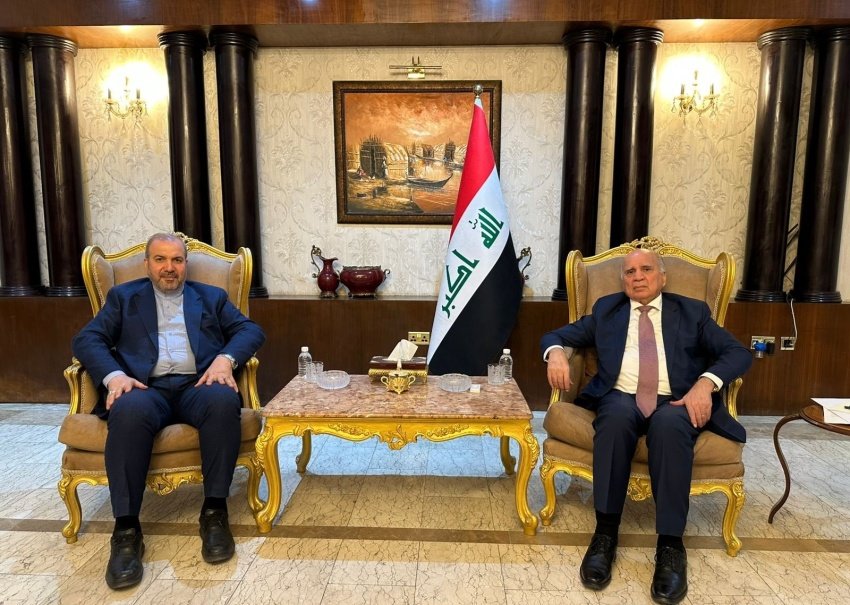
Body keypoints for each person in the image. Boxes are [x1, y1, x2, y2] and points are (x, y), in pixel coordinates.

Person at [540, 248, 751, 605]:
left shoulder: (692, 312)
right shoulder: (607, 310)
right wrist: (557, 353)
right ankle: (605, 534)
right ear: (623, 280)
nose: (637, 277)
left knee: (669, 425)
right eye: (629, 272)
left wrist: (706, 384)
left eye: (646, 269)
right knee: (615, 418)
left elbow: (738, 353)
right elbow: (554, 335)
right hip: (620, 396)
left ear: (662, 277)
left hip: (677, 400)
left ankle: (670, 546)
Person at [72, 233, 265, 590]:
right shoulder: (124, 297)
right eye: (160, 259)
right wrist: (115, 377)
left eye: (176, 260)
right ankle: (126, 531)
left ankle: (214, 512)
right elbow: (87, 339)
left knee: (223, 401)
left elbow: (250, 330)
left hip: (198, 384)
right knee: (128, 411)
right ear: (147, 263)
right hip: (145, 388)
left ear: (185, 264)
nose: (169, 268)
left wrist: (225, 359)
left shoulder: (210, 297)